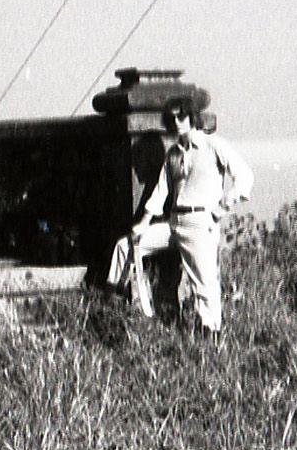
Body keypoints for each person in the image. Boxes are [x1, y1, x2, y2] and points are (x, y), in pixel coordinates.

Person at [107, 96, 253, 333]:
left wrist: (223, 206)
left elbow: (245, 176)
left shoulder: (212, 145)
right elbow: (160, 191)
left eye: (181, 116)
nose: (177, 122)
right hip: (174, 222)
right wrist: (143, 223)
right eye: (172, 118)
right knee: (125, 246)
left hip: (200, 223)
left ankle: (211, 336)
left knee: (204, 283)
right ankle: (110, 305)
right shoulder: (173, 153)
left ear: (192, 116)